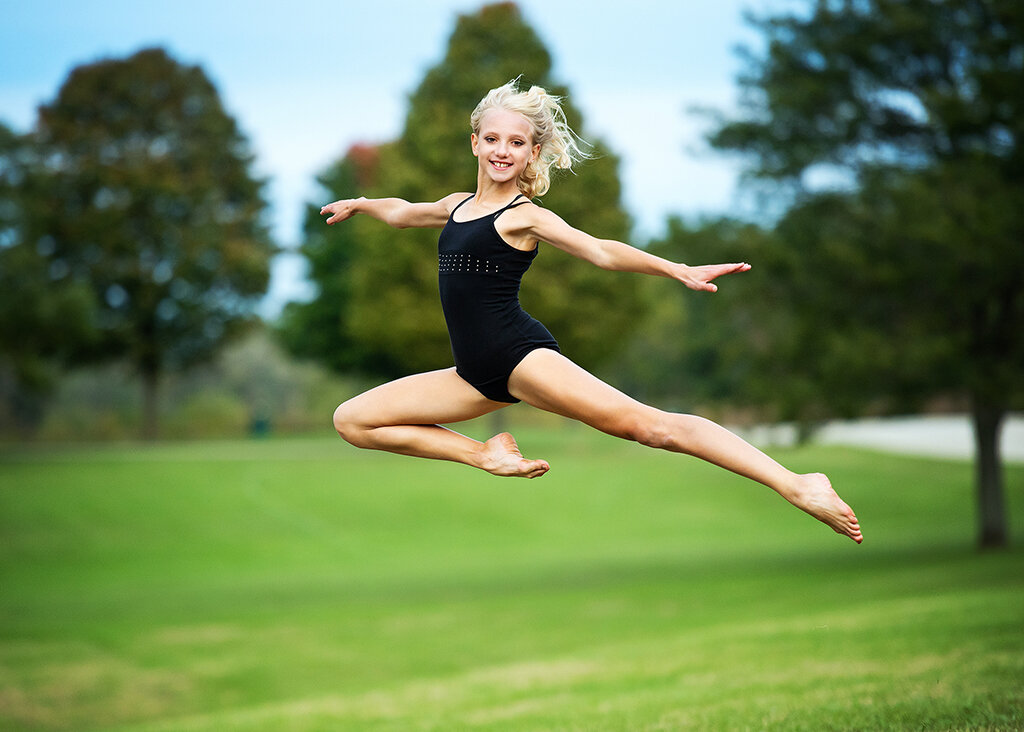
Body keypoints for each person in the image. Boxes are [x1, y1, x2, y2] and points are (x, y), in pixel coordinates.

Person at [321, 79, 863, 544]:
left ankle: (796, 482)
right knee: (354, 420)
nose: (502, 150)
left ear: (533, 153)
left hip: (518, 356)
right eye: (492, 139)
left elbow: (601, 249)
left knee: (652, 428)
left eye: (517, 142)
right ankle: (485, 454)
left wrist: (675, 268)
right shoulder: (456, 206)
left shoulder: (524, 216)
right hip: (473, 374)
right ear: (475, 143)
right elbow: (402, 213)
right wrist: (364, 204)